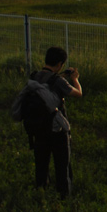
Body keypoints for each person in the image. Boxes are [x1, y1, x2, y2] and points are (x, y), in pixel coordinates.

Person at [28, 46, 83, 198]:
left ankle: (41, 190)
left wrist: (61, 76)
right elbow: (78, 93)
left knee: (41, 162)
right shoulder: (59, 81)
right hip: (57, 129)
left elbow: (49, 82)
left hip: (37, 127)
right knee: (62, 163)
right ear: (59, 64)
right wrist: (75, 79)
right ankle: (64, 196)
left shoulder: (34, 77)